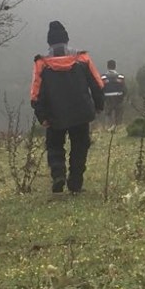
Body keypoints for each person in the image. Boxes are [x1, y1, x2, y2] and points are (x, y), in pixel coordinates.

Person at [30, 21, 105, 194]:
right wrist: (99, 105)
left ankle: (58, 175)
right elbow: (97, 84)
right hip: (81, 112)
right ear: (67, 40)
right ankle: (75, 183)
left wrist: (42, 116)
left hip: (54, 114)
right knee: (80, 146)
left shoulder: (42, 63)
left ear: (49, 43)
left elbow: (35, 93)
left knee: (55, 145)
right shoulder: (82, 59)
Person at [100, 59, 127, 125]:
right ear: (115, 66)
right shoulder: (120, 76)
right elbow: (124, 88)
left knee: (108, 114)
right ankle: (118, 127)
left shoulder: (103, 77)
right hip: (119, 97)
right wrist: (123, 96)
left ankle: (108, 128)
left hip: (107, 97)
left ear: (107, 67)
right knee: (118, 113)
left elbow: (100, 88)